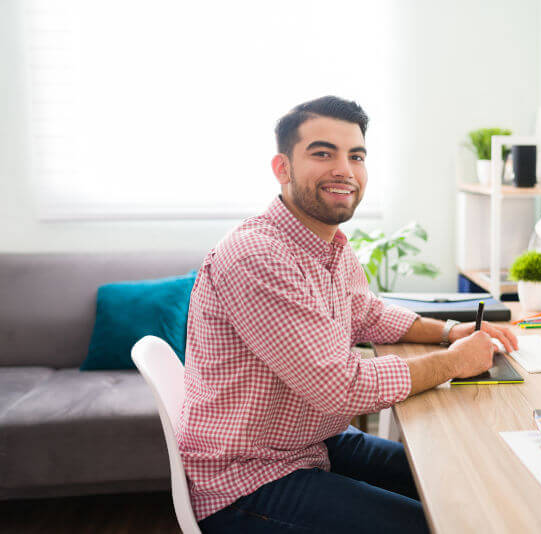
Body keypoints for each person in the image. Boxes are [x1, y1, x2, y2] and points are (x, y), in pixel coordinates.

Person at [178, 95, 519, 533]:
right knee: (445, 522)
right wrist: (456, 362)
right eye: (323, 153)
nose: (345, 169)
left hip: (309, 442)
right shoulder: (257, 255)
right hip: (248, 477)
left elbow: (368, 313)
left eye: (355, 156)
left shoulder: (330, 244)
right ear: (282, 168)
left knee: (466, 477)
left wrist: (450, 331)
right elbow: (340, 387)